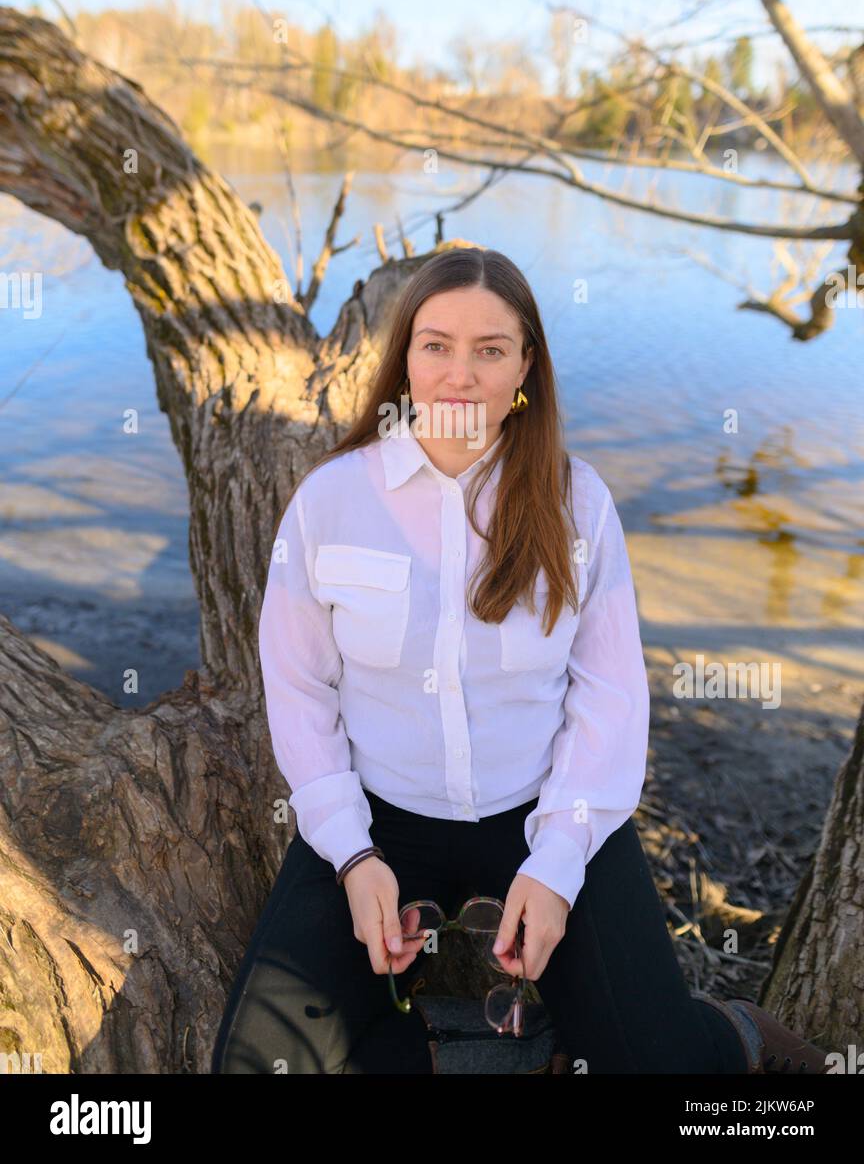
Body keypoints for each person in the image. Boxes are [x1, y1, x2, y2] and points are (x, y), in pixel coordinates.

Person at [211, 246, 829, 1075]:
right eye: (436, 345)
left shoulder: (577, 501)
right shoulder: (333, 500)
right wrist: (353, 856)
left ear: (525, 366)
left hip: (544, 809)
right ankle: (438, 1050)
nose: (459, 374)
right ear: (405, 362)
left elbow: (607, 697)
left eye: (490, 349)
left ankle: (738, 1033)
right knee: (256, 1067)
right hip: (380, 819)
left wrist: (560, 861)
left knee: (661, 1064)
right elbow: (297, 686)